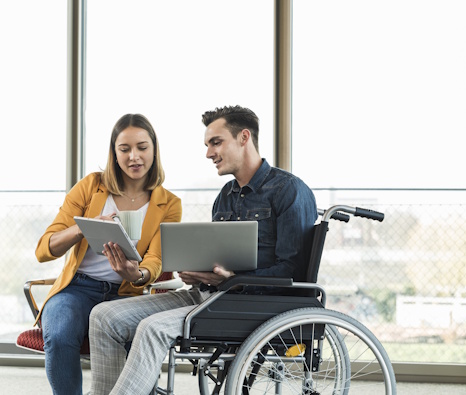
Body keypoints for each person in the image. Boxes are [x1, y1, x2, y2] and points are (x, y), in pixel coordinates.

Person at [88, 105, 317, 395]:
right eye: (208, 144)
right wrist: (199, 271)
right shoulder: (226, 196)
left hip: (254, 304)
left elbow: (292, 271)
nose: (209, 153)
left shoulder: (289, 191)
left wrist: (231, 280)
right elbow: (220, 257)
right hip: (211, 294)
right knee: (102, 316)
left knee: (152, 328)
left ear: (244, 137)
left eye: (216, 142)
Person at [34, 113, 182, 395]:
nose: (134, 157)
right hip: (77, 288)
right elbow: (45, 249)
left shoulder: (168, 204)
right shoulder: (91, 186)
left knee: (140, 344)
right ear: (114, 153)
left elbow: (156, 258)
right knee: (61, 334)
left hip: (128, 294)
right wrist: (83, 229)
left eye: (142, 147)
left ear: (154, 149)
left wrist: (137, 274)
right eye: (124, 149)